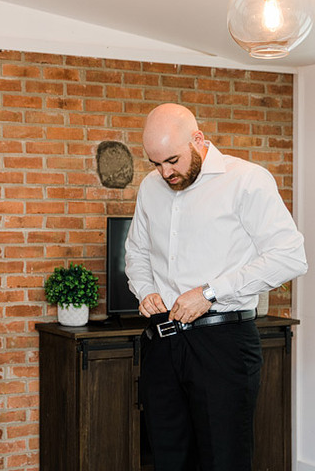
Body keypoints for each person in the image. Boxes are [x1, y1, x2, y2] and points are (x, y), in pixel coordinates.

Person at [125, 103, 307, 471]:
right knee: (165, 459)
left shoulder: (246, 180)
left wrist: (210, 292)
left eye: (172, 160)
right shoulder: (150, 187)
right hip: (162, 342)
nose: (165, 172)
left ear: (198, 139)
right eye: (155, 164)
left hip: (224, 344)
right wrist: (145, 290)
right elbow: (136, 252)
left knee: (224, 460)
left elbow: (290, 256)